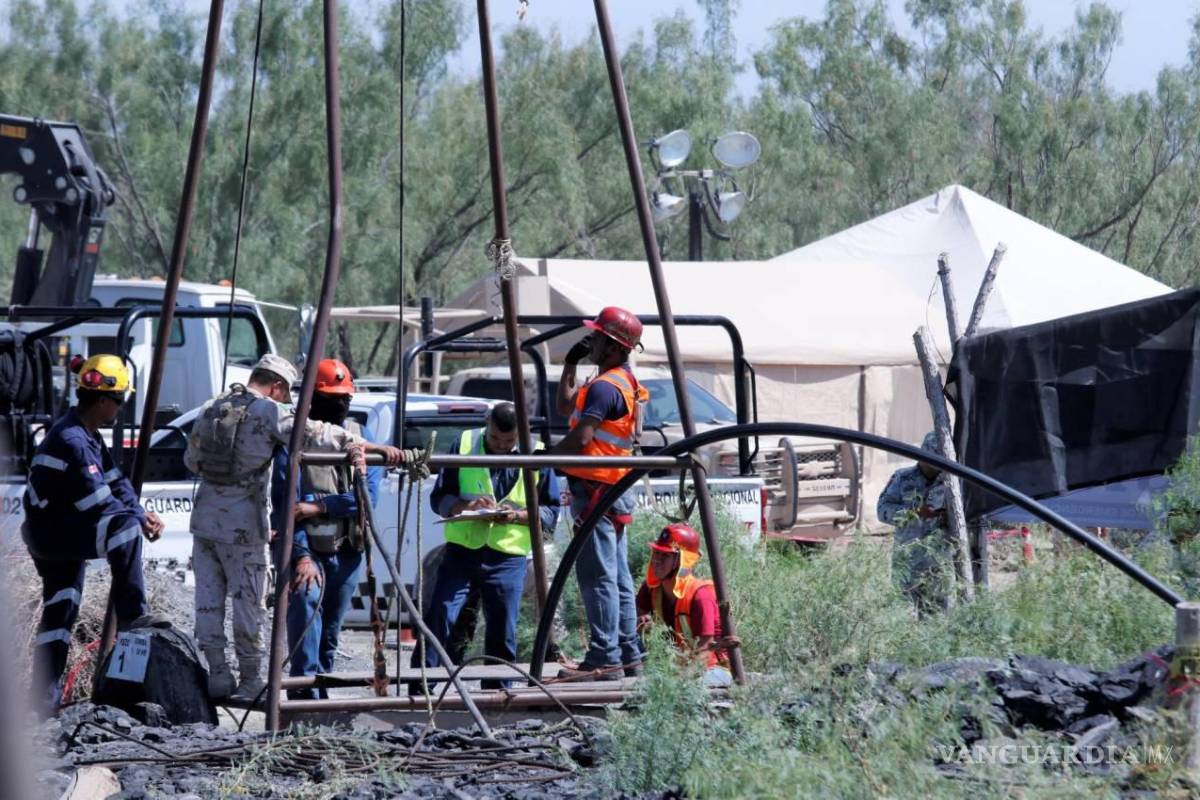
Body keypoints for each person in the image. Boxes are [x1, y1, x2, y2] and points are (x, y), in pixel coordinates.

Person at [185, 353, 404, 702]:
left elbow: (191, 460)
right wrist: (365, 447)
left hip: (205, 522)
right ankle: (251, 681)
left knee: (208, 607)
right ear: (276, 386)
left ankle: (218, 677)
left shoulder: (212, 406)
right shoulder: (268, 411)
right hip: (244, 528)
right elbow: (312, 433)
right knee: (247, 607)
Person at [22, 354, 167, 713]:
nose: (118, 410)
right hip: (55, 536)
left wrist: (140, 511)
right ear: (102, 400)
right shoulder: (71, 439)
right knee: (125, 531)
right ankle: (134, 616)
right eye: (118, 402)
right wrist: (136, 521)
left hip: (56, 534)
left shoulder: (85, 434)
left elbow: (116, 482)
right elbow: (97, 502)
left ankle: (43, 699)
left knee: (60, 612)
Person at [414, 402, 561, 690]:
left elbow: (550, 512)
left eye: (510, 441)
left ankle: (497, 695)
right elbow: (439, 497)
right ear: (487, 425)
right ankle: (421, 688)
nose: (502, 446)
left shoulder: (537, 453)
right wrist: (462, 506)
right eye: (496, 439)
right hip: (461, 553)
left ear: (522, 432)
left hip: (507, 557)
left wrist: (516, 516)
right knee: (440, 615)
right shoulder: (465, 443)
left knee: (503, 629)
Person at [270, 359, 385, 700]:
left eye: (344, 398)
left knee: (330, 633)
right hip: (310, 554)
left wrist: (319, 506)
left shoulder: (362, 439)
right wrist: (301, 556)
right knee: (306, 616)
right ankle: (302, 701)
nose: (340, 405)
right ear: (313, 399)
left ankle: (321, 702)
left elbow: (366, 499)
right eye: (332, 399)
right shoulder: (294, 443)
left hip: (347, 552)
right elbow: (286, 507)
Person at [551, 306, 650, 682]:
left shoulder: (607, 387)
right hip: (610, 488)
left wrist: (546, 458)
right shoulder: (613, 382)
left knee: (598, 577)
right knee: (617, 575)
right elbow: (565, 407)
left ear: (612, 345)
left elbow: (582, 437)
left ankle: (603, 658)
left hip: (596, 488)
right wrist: (570, 365)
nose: (590, 340)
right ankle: (627, 655)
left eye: (596, 337)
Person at [635, 522, 739, 686]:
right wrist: (643, 622)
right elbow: (638, 613)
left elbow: (704, 655)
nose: (656, 560)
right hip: (678, 668)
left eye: (665, 556)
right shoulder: (651, 588)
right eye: (656, 553)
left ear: (683, 561)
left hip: (714, 670)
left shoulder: (700, 596)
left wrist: (676, 683)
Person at [877, 431, 953, 616]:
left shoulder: (951, 483)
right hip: (908, 563)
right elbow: (882, 511)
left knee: (936, 617)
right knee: (905, 616)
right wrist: (915, 513)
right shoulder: (902, 478)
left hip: (938, 564)